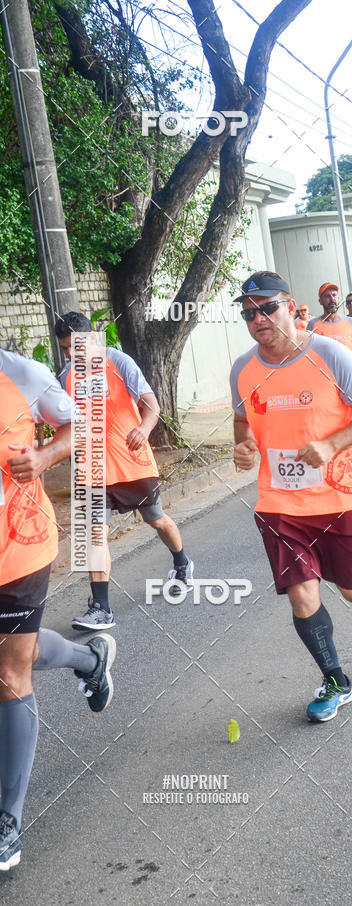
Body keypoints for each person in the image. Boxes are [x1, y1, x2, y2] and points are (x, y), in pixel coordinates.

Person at [230, 271, 352, 723]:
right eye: (249, 313)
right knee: (302, 595)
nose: (258, 319)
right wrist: (243, 446)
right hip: (279, 504)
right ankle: (336, 680)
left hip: (339, 498)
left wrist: (330, 445)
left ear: (291, 306)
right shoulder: (242, 369)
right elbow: (244, 422)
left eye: (266, 308)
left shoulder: (330, 354)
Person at [0, 349, 116, 872]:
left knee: (8, 672)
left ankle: (7, 820)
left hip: (16, 547)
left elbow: (83, 425)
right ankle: (90, 660)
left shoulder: (19, 374)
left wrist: (46, 457)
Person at [54, 312, 193, 629]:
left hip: (132, 462)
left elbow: (151, 404)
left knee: (156, 518)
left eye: (73, 347)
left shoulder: (118, 362)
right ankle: (101, 608)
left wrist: (144, 429)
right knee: (95, 533)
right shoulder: (66, 376)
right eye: (64, 349)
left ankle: (182, 563)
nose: (69, 355)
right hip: (93, 469)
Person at [308, 282, 352, 375]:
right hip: (326, 379)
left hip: (350, 376)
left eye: (334, 295)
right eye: (327, 296)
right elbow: (310, 355)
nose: (332, 299)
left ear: (338, 298)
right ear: (320, 301)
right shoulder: (313, 325)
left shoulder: (351, 322)